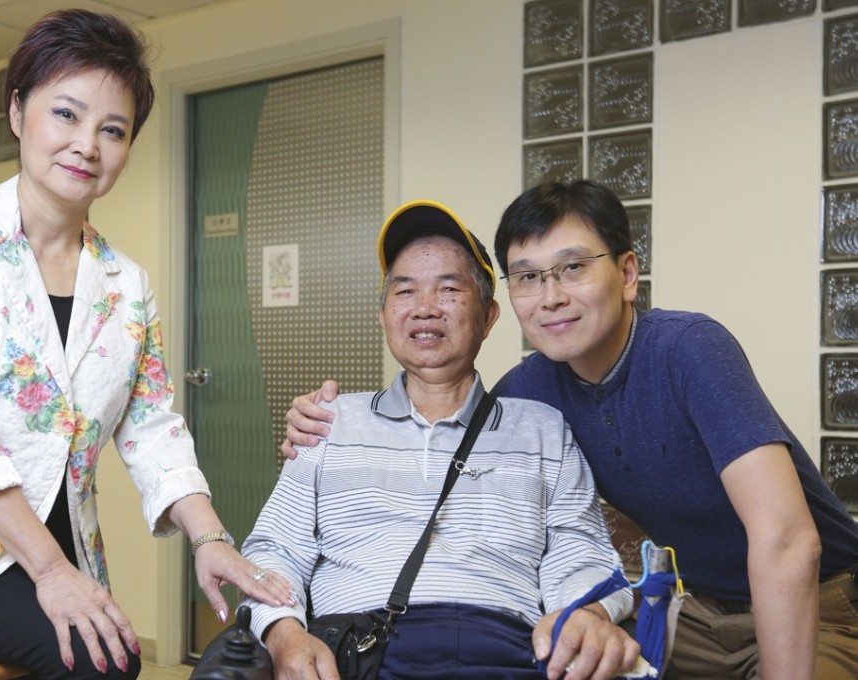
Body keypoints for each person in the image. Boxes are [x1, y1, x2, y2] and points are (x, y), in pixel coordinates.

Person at [0, 10, 291, 679]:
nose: (87, 145)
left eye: (113, 130)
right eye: (67, 115)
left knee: (108, 655)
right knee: (104, 662)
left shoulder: (126, 286)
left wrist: (211, 538)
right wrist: (51, 571)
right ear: (18, 111)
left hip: (57, 550)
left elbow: (154, 430)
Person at [284, 181, 858, 680]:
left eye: (574, 268)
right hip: (694, 615)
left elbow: (788, 541)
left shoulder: (689, 351)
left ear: (628, 273)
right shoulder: (525, 398)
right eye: (529, 276)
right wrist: (312, 429)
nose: (552, 296)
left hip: (819, 605)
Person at [243, 199, 640, 680]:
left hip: (503, 652)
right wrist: (284, 632)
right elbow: (275, 548)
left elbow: (580, 550)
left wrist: (585, 613)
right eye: (405, 291)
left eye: (449, 288)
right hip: (357, 652)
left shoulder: (542, 428)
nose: (425, 308)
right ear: (384, 313)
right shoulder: (328, 422)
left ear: (489, 315)